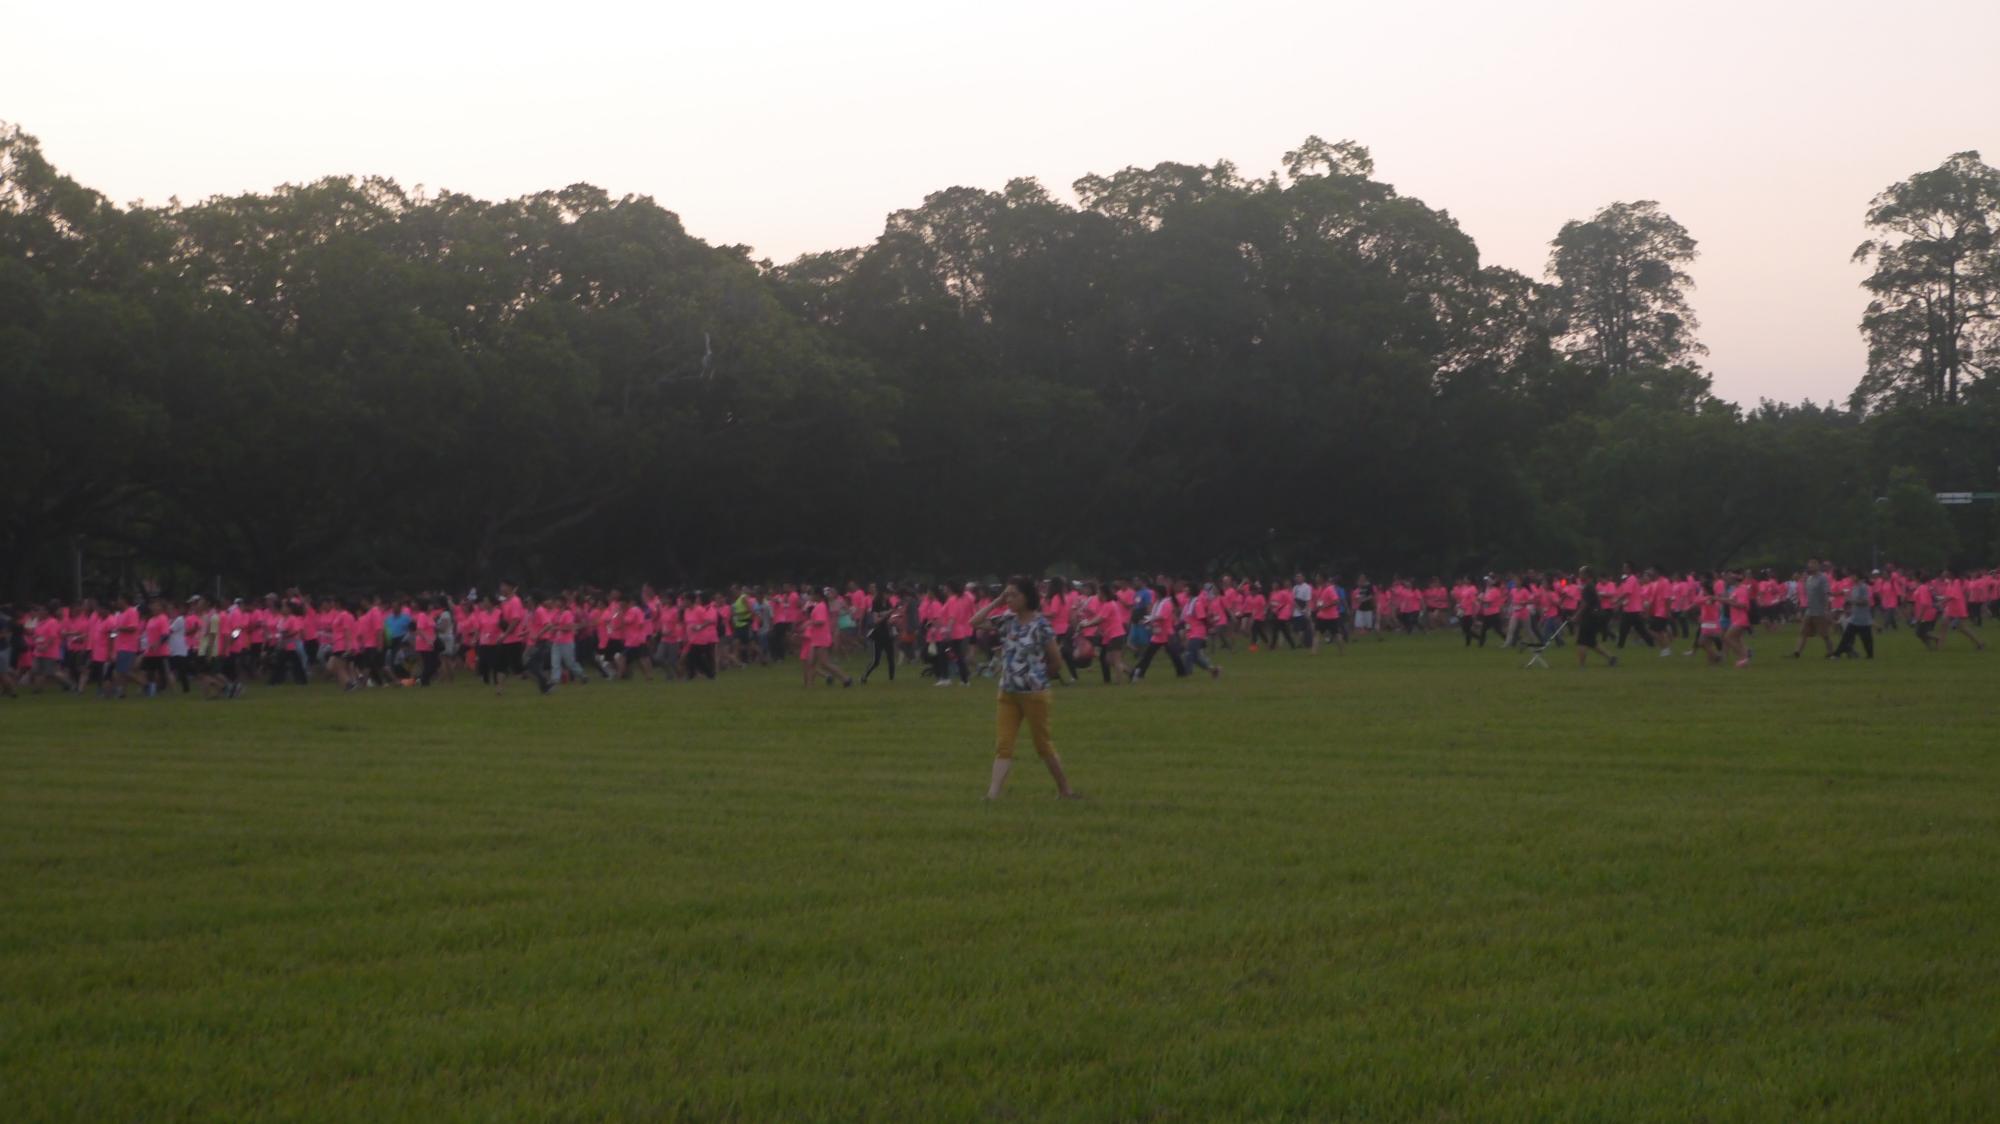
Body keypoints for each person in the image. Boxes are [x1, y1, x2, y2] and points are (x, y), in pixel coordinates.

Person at [970, 577, 1079, 801]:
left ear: (1027, 597)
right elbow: (975, 621)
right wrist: (997, 601)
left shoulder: (1041, 625)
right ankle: (993, 794)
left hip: (1034, 693)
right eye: (1007, 594)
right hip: (1007, 691)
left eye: (1013, 595)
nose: (1009, 599)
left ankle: (1065, 790)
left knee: (1042, 745)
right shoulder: (1007, 620)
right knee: (1004, 745)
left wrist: (1038, 677)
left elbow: (1056, 660)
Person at [1573, 567, 1617, 667]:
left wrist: (1576, 616)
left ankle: (1581, 665)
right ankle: (1611, 658)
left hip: (1589, 617)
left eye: (1581, 574)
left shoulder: (1588, 587)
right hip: (1594, 617)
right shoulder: (1591, 586)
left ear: (1587, 575)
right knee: (1591, 642)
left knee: (1581, 641)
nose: (1579, 576)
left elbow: (1584, 604)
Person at [1791, 559, 1835, 658]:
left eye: (1812, 565)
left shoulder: (1822, 578)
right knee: (1803, 632)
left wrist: (1827, 609)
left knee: (1825, 635)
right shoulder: (1809, 579)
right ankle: (1797, 652)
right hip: (1809, 610)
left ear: (1817, 566)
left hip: (1820, 611)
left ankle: (1831, 652)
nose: (1810, 567)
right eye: (1809, 566)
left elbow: (1827, 593)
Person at [1831, 568, 1875, 659]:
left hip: (1863, 619)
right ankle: (1837, 654)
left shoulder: (1863, 587)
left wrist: (1852, 601)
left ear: (1858, 576)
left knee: (1867, 640)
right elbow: (1852, 600)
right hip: (1854, 619)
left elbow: (1865, 602)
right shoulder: (1854, 587)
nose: (1851, 577)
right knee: (1846, 638)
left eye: (1853, 575)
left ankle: (1870, 656)